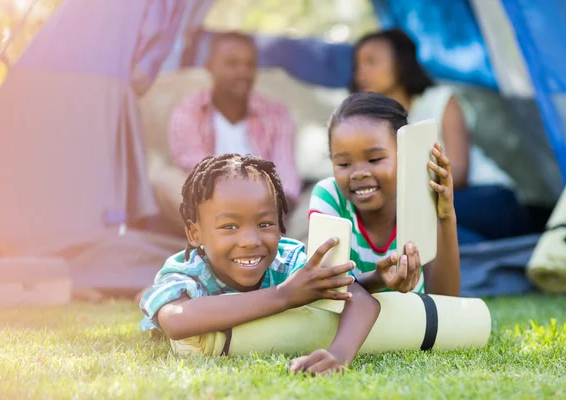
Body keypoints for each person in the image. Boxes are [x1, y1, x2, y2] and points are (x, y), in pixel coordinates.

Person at [140, 154, 381, 375]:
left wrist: (338, 355)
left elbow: (361, 301)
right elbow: (175, 320)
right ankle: (142, 295)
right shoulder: (187, 270)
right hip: (168, 303)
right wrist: (284, 295)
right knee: (152, 298)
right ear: (195, 234)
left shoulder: (287, 260)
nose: (250, 241)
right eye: (229, 227)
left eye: (265, 224)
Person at [348, 29, 530, 242]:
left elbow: (458, 173)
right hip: (432, 211)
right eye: (358, 65)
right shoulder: (373, 127)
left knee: (409, 221)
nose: (362, 72)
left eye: (371, 61)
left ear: (400, 62)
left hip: (485, 197)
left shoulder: (440, 100)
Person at [154, 31, 306, 240]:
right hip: (211, 206)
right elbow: (193, 167)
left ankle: (235, 244)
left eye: (249, 64)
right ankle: (226, 242)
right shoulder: (190, 110)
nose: (242, 72)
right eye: (232, 63)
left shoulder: (276, 112)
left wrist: (262, 209)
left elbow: (285, 175)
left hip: (264, 208)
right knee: (163, 181)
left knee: (318, 196)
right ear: (209, 67)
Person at [309, 92, 460, 295]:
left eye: (374, 159)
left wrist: (446, 216)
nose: (359, 174)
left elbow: (445, 299)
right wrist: (377, 281)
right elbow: (324, 288)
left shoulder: (417, 198)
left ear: (404, 154)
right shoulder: (330, 197)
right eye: (344, 164)